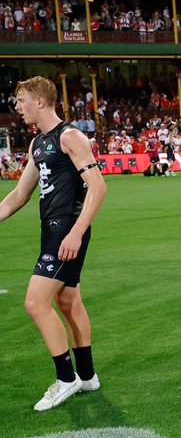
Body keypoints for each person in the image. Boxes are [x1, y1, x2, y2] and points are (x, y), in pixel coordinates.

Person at [0, 75, 106, 411]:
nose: (17, 107)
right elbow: (19, 194)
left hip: (67, 231)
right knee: (68, 301)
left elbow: (98, 187)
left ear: (41, 101)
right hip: (51, 229)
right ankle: (87, 376)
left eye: (21, 100)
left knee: (35, 303)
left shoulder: (70, 136)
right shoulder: (37, 145)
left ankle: (66, 378)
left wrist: (76, 232)